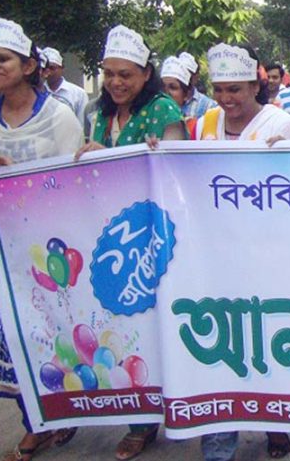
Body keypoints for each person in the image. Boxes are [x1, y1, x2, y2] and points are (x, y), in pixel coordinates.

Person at [73, 25, 186, 459]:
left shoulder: (162, 112)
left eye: (127, 75)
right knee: (121, 327)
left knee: (155, 325)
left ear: (145, 75)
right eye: (110, 74)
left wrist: (159, 152)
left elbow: (176, 171)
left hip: (153, 239)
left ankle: (164, 412)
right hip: (111, 235)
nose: (117, 83)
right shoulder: (97, 112)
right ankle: (138, 415)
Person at [193, 43, 290, 460]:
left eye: (236, 90)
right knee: (221, 347)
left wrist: (288, 158)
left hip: (270, 258)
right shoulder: (205, 122)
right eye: (219, 89)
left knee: (267, 344)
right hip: (217, 256)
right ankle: (219, 443)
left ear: (255, 84)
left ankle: (274, 422)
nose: (226, 99)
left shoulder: (284, 124)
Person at [0, 18, 83, 461]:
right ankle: (34, 423)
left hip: (50, 250)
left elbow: (74, 181)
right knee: (12, 335)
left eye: (2, 59)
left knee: (55, 335)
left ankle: (64, 413)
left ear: (28, 66)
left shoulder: (59, 117)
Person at [40, 46, 88, 125]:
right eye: (45, 68)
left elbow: (82, 124)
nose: (49, 72)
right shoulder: (37, 92)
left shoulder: (79, 94)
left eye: (52, 68)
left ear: (62, 68)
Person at [176, 52, 217, 119]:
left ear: (196, 77)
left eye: (187, 73)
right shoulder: (165, 103)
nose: (181, 77)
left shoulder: (209, 106)